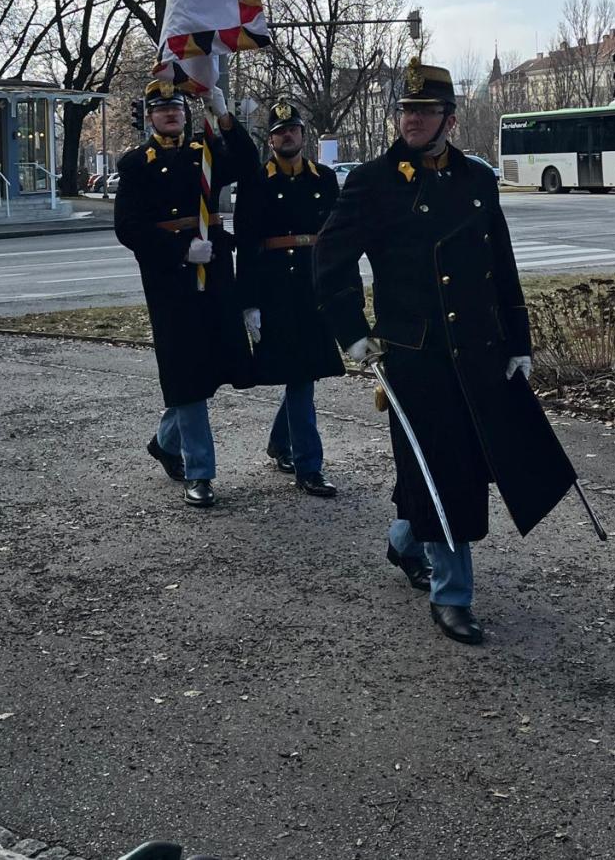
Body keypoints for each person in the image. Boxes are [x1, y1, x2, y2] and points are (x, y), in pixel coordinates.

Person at [314, 58, 575, 646]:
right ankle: (453, 594)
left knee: (471, 465)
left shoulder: (477, 179)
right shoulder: (373, 181)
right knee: (441, 469)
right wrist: (352, 331)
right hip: (415, 353)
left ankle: (406, 539)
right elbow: (330, 260)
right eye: (405, 110)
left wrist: (518, 340)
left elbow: (500, 264)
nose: (412, 119)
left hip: (479, 347)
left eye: (425, 110)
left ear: (449, 120)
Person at [114, 78, 258, 509]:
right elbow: (128, 228)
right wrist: (179, 249)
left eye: (176, 107)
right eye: (161, 109)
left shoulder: (205, 152)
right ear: (150, 118)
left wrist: (224, 114)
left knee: (212, 363)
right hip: (171, 279)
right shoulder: (136, 164)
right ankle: (200, 471)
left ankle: (165, 441)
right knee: (186, 370)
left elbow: (248, 164)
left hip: (214, 269)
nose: (170, 113)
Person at [235, 99, 344, 498]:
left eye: (293, 130)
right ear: (271, 140)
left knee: (304, 374)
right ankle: (308, 465)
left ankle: (283, 443)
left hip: (312, 287)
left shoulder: (324, 179)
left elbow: (335, 238)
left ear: (303, 134)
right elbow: (246, 245)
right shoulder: (256, 182)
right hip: (276, 289)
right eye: (280, 132)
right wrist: (249, 303)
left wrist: (339, 288)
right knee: (300, 375)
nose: (287, 136)